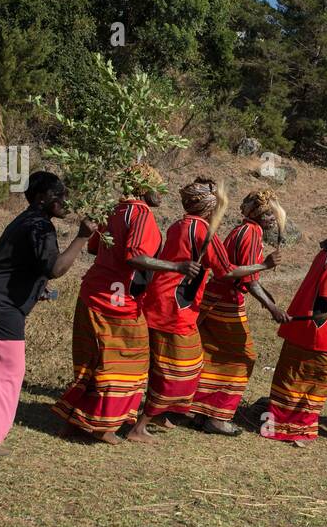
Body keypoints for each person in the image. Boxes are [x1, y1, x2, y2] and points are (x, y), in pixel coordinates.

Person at [0, 172, 91, 457]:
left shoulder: (32, 221)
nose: (65, 201)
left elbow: (26, 264)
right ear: (41, 199)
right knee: (3, 369)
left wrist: (34, 287)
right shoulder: (39, 226)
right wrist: (82, 237)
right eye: (58, 196)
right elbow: (54, 268)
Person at [51, 164, 192, 444]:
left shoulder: (114, 209)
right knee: (130, 362)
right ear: (144, 188)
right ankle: (103, 427)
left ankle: (78, 420)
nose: (161, 194)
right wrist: (177, 267)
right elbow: (134, 257)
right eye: (158, 187)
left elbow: (96, 248)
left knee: (94, 361)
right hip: (116, 302)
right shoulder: (139, 212)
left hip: (92, 293)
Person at [133, 179, 279, 439]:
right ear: (209, 208)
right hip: (178, 307)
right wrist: (264, 267)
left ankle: (168, 413)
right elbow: (228, 272)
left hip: (164, 301)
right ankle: (145, 425)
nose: (270, 220)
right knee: (185, 369)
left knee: (167, 364)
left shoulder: (181, 224)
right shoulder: (206, 230)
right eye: (268, 214)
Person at [262, 217, 327, 446]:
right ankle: (299, 430)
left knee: (292, 376)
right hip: (317, 326)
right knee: (322, 376)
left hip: (301, 324)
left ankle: (277, 425)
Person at [192, 189, 291, 434]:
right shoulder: (250, 233)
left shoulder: (244, 230)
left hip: (220, 297)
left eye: (271, 215)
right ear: (259, 215)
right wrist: (272, 307)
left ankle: (200, 409)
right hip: (225, 301)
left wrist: (268, 298)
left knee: (215, 355)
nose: (271, 220)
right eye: (268, 215)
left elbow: (248, 275)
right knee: (243, 357)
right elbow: (248, 277)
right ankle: (217, 417)